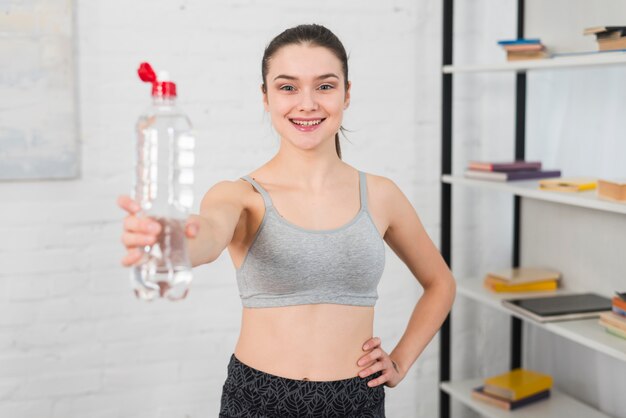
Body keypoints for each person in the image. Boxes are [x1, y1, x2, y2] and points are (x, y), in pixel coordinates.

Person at [118, 24, 455, 418]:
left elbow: (441, 283)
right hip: (258, 399)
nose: (307, 103)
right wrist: (171, 239)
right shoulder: (239, 195)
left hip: (357, 402)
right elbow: (206, 237)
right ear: (266, 97)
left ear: (347, 94)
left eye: (325, 86)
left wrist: (399, 361)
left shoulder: (381, 195)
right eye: (288, 87)